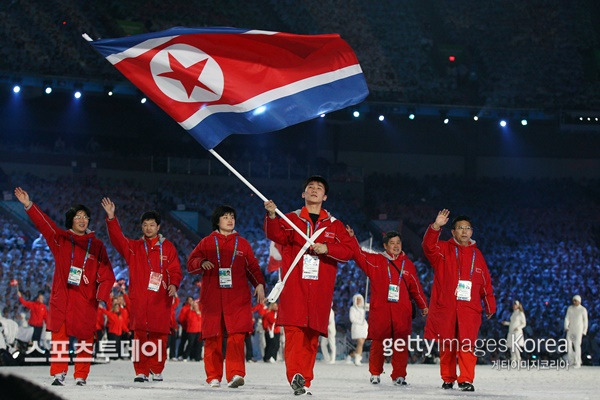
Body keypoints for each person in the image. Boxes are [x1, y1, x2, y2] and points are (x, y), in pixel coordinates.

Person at [14, 187, 115, 386]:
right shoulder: (60, 240)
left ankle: (81, 375)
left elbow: (107, 274)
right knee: (60, 336)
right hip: (63, 297)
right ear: (71, 220)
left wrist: (100, 294)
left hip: (86, 299)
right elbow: (44, 224)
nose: (82, 219)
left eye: (85, 216)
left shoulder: (97, 245)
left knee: (85, 338)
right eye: (78, 216)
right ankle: (58, 373)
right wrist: (28, 205)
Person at [264, 176, 354, 395]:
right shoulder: (290, 219)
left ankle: (304, 379)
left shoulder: (335, 225)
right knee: (294, 332)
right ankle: (295, 375)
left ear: (325, 197)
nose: (314, 190)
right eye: (310, 188)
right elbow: (274, 234)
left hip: (320, 290)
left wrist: (328, 249)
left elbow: (348, 251)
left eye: (319, 188)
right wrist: (273, 215)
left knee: (311, 337)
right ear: (303, 194)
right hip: (295, 287)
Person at [102, 198, 182, 382]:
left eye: (152, 225)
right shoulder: (134, 247)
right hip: (139, 299)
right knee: (140, 335)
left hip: (160, 299)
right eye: (145, 225)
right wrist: (112, 217)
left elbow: (175, 270)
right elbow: (117, 240)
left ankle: (157, 368)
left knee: (159, 335)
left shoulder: (168, 248)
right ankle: (141, 370)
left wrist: (173, 284)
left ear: (158, 227)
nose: (148, 228)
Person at [187, 205, 266, 389]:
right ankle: (213, 376)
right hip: (212, 298)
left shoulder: (243, 244)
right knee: (213, 337)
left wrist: (259, 284)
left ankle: (236, 374)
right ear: (217, 221)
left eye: (232, 216)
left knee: (237, 337)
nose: (230, 220)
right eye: (225, 217)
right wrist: (202, 262)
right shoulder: (207, 242)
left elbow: (253, 267)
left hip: (237, 299)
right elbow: (191, 264)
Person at [422, 209, 495, 392]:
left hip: (469, 308)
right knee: (447, 344)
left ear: (472, 232)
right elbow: (428, 247)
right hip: (447, 306)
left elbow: (485, 282)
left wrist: (489, 303)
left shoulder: (477, 255)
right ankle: (448, 378)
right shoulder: (443, 250)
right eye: (460, 228)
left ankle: (465, 380)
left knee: (467, 345)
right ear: (453, 232)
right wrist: (436, 226)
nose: (464, 231)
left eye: (468, 228)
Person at [347, 228, 428, 385]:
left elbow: (416, 288)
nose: (396, 246)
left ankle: (399, 375)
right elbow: (358, 254)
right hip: (381, 311)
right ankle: (375, 373)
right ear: (385, 246)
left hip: (402, 311)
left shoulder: (408, 265)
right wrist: (352, 238)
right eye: (392, 243)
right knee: (378, 343)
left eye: (398, 242)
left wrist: (423, 305)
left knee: (400, 344)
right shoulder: (376, 261)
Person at [564, 295, 588, 368]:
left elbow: (585, 321)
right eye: (573, 300)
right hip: (570, 329)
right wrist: (566, 326)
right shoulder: (570, 308)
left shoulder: (583, 309)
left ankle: (578, 362)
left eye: (576, 301)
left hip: (578, 330)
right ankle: (571, 361)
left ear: (579, 301)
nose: (574, 302)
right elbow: (567, 318)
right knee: (569, 345)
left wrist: (584, 331)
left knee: (577, 345)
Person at [348, 294, 368, 366]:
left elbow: (372, 307)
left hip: (363, 327)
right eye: (357, 299)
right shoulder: (352, 308)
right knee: (360, 342)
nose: (359, 301)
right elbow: (352, 319)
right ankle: (357, 358)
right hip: (357, 327)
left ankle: (356, 357)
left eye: (360, 299)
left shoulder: (363, 308)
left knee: (361, 343)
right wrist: (360, 322)